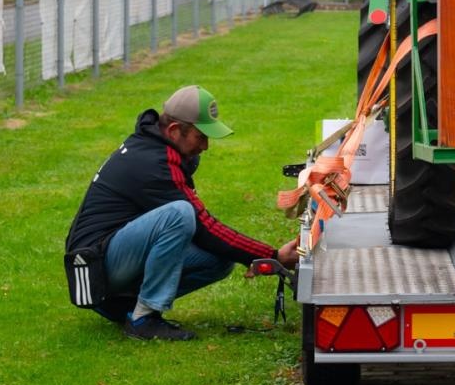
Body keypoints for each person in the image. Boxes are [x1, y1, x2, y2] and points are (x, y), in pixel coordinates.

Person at [65, 85, 298, 340]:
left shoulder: (158, 148)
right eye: (201, 136)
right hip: (95, 266)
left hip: (110, 259)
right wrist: (270, 255)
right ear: (175, 131)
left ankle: (126, 307)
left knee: (219, 260)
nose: (206, 146)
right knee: (180, 214)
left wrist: (257, 256)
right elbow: (202, 224)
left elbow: (203, 232)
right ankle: (144, 319)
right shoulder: (155, 163)